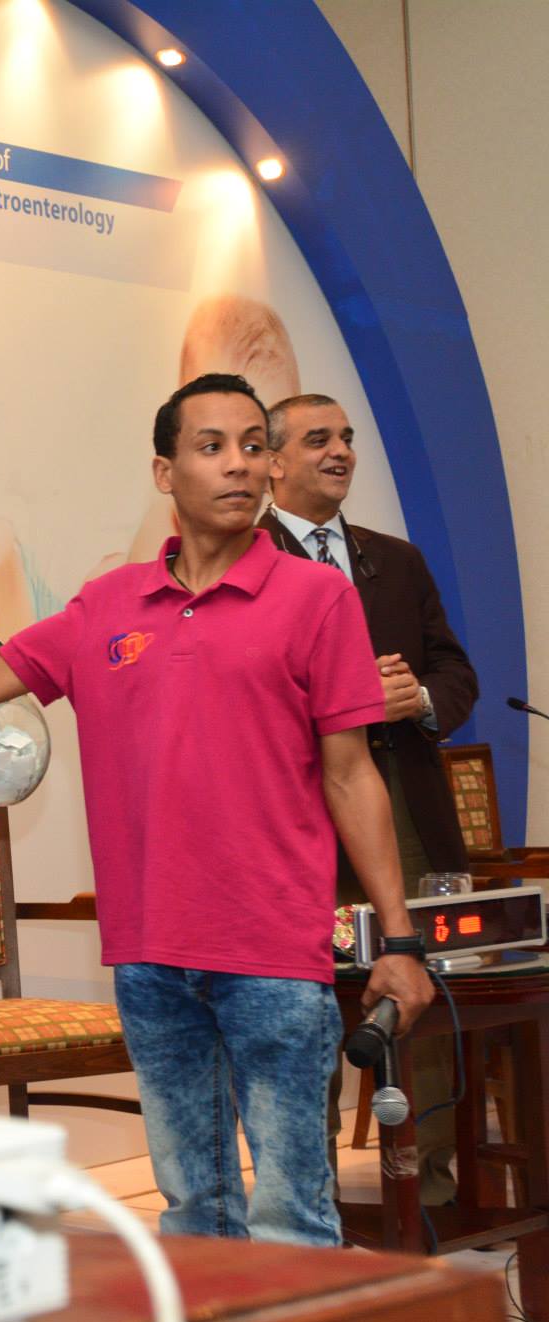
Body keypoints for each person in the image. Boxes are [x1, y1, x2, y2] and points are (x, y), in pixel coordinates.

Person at [0, 372, 435, 1245]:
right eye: (212, 447)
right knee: (195, 1211)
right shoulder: (108, 604)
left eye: (254, 446)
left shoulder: (317, 597)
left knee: (293, 1218)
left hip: (274, 952)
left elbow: (352, 777)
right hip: (150, 953)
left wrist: (401, 940)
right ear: (165, 472)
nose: (240, 465)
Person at [263, 392, 480, 1203]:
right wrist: (345, 699)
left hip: (403, 802)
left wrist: (414, 697)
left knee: (420, 986)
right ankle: (304, 1191)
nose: (341, 451)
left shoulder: (397, 559)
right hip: (297, 809)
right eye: (318, 439)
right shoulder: (244, 559)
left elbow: (456, 673)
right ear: (273, 461)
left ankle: (430, 1188)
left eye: (348, 438)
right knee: (303, 1005)